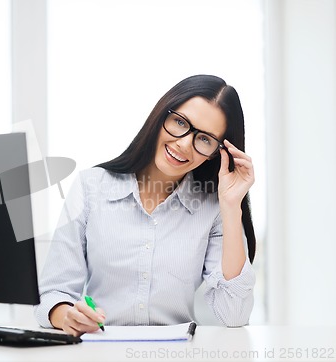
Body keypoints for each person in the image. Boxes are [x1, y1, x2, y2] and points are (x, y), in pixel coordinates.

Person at [34, 74, 256, 336]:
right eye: (180, 122)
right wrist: (67, 316)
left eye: (205, 139)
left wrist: (231, 206)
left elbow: (233, 315)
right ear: (161, 116)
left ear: (217, 154)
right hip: (99, 351)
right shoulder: (90, 187)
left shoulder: (213, 209)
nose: (184, 144)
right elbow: (53, 293)